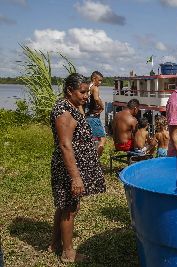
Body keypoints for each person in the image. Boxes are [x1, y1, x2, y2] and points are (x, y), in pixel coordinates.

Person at [49, 73, 106, 263]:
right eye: (82, 92)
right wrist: (75, 177)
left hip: (75, 164)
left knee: (64, 205)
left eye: (87, 92)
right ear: (69, 91)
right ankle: (68, 252)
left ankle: (55, 243)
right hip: (69, 168)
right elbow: (65, 145)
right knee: (70, 208)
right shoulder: (64, 111)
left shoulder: (72, 106)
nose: (85, 96)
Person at [85, 71, 106, 157]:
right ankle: (96, 161)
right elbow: (96, 99)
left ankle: (90, 157)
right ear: (94, 79)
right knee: (102, 139)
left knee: (91, 139)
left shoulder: (87, 87)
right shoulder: (95, 88)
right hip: (93, 117)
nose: (100, 83)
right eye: (99, 80)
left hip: (87, 116)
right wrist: (102, 106)